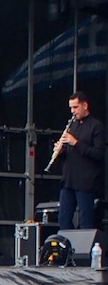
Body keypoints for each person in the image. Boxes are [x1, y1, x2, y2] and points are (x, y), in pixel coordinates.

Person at [55, 91, 105, 231]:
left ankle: (85, 251)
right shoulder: (72, 125)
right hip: (68, 180)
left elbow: (98, 154)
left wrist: (75, 143)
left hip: (85, 182)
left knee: (85, 221)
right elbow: (70, 153)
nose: (73, 111)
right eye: (71, 108)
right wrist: (60, 151)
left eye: (75, 107)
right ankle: (69, 249)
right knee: (63, 219)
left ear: (85, 105)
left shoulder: (96, 126)